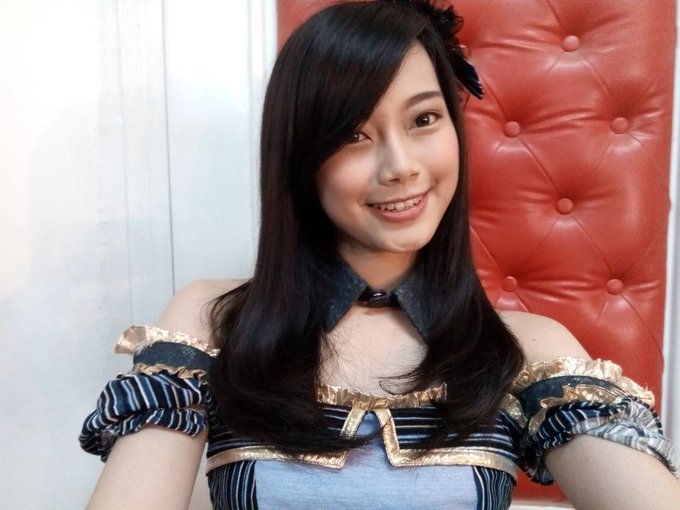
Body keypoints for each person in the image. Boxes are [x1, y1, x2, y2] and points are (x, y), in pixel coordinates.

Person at [80, 1, 680, 508]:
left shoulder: (527, 348)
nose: (401, 166)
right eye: (353, 134)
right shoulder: (213, 320)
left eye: (424, 119)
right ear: (301, 157)